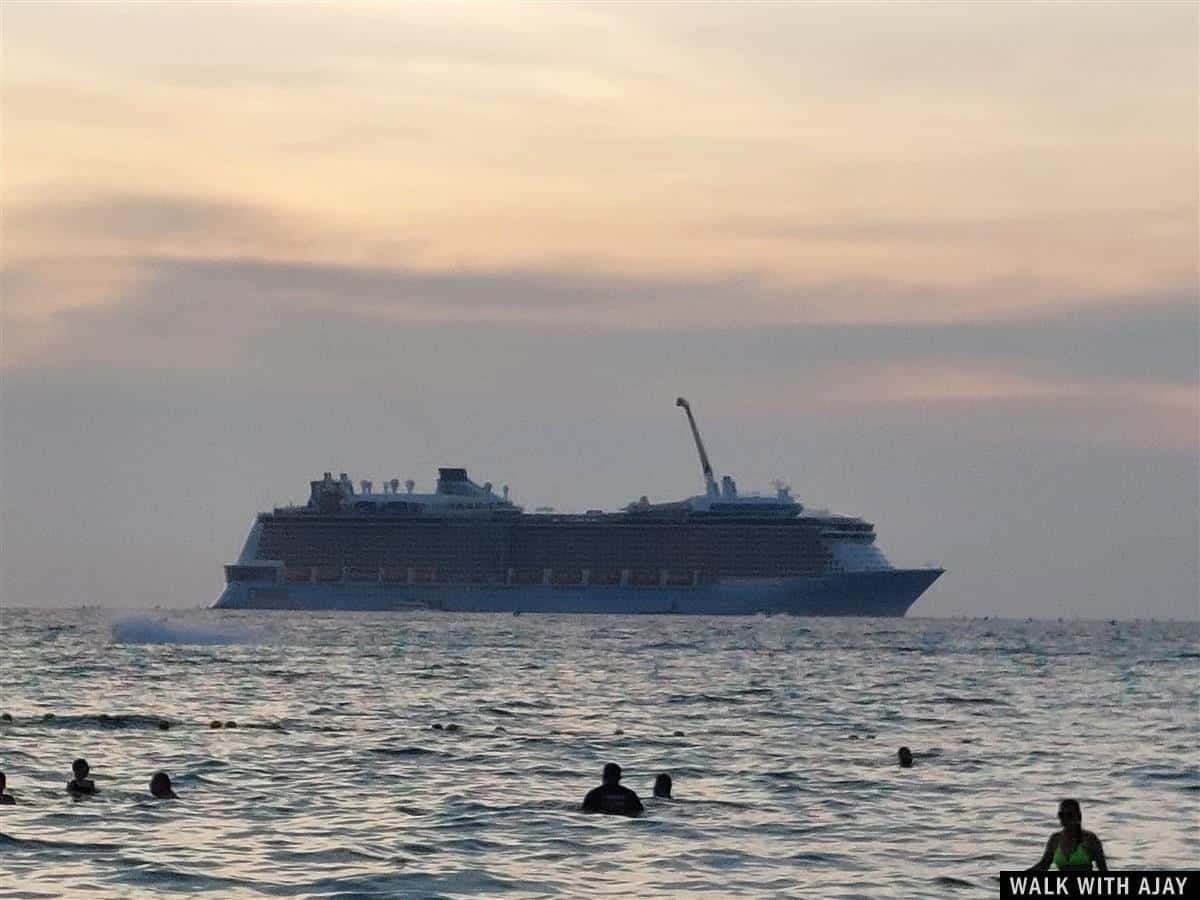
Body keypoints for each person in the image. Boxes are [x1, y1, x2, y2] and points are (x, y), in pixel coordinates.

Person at [1028, 799, 1107, 872]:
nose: (1065, 818)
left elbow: (1103, 868)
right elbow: (1044, 865)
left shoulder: (1090, 839)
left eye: (1069, 815)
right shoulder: (1055, 839)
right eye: (1061, 815)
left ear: (1079, 816)